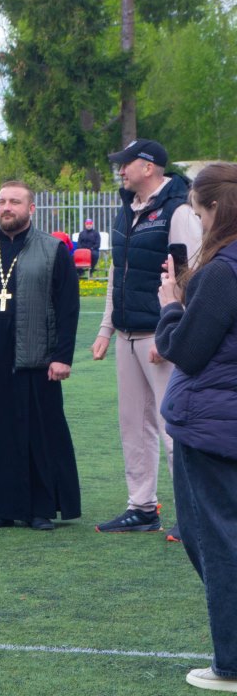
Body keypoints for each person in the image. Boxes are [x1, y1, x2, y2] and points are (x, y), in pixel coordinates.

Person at [0, 181, 81, 531]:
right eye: (2, 201)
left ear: (31, 209)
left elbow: (68, 308)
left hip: (35, 359)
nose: (7, 207)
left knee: (37, 435)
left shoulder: (53, 250)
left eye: (15, 202)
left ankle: (39, 509)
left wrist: (62, 356)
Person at [153, 163, 237, 693]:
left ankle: (230, 663)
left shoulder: (223, 269)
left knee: (216, 544)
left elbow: (185, 350)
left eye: (197, 211)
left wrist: (171, 307)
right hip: (221, 420)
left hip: (211, 425)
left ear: (211, 209)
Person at [91, 139, 202, 538]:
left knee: (171, 423)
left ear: (150, 167)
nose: (120, 169)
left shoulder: (178, 209)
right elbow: (116, 275)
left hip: (161, 334)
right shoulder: (126, 210)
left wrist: (170, 331)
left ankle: (191, 514)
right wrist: (106, 328)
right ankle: (141, 507)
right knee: (133, 426)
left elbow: (191, 274)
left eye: (126, 163)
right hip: (127, 334)